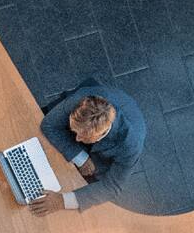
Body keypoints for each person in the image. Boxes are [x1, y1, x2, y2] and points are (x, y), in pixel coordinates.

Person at [31, 79, 146, 215]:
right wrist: (80, 157)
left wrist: (61, 201)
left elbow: (112, 186)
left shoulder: (130, 145)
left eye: (83, 137)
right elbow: (49, 124)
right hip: (76, 119)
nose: (77, 139)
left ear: (101, 134)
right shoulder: (82, 102)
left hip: (101, 160)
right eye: (76, 132)